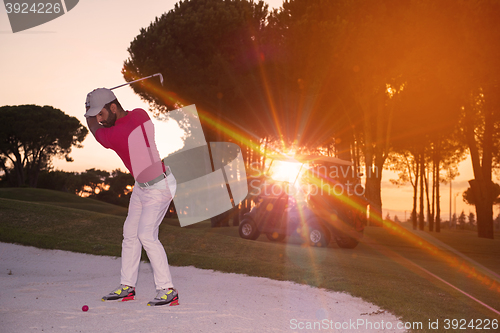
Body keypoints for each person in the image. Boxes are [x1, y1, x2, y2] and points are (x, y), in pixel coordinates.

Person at [84, 88, 179, 307]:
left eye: (102, 114)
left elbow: (94, 129)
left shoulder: (115, 136)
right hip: (141, 185)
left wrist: (87, 113)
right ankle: (127, 287)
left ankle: (168, 290)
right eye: (97, 115)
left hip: (159, 186)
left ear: (113, 107)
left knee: (146, 235)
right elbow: (123, 117)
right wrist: (96, 106)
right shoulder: (140, 114)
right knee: (130, 234)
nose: (99, 119)